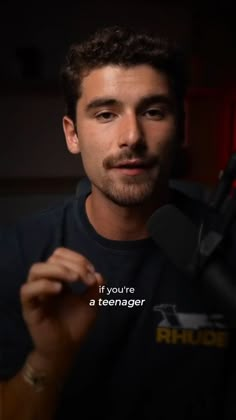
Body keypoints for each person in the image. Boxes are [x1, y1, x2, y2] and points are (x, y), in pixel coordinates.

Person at [0, 25, 235, 420]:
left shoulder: (228, 249)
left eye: (153, 111)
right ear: (72, 134)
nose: (131, 136)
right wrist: (49, 358)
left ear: (182, 128)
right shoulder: (18, 253)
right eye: (106, 114)